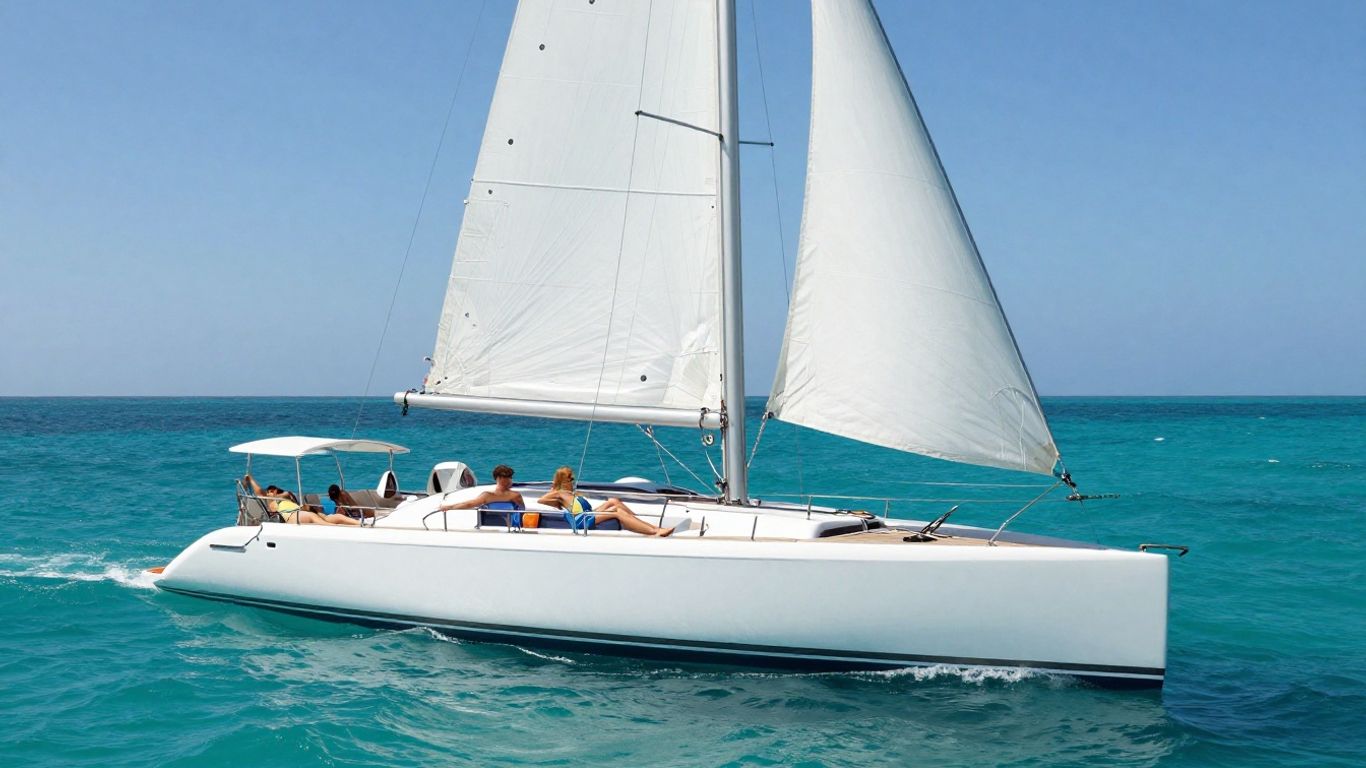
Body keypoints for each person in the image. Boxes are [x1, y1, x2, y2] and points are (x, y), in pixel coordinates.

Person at [537, 466, 674, 537]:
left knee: (613, 501)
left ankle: (639, 522)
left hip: (588, 514)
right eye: (570, 479)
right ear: (563, 480)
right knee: (616, 511)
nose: (573, 481)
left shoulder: (571, 494)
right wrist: (554, 490)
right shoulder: (560, 494)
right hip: (581, 521)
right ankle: (654, 531)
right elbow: (541, 500)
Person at [243, 474, 359, 526]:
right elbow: (259, 492)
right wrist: (250, 478)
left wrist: (278, 495)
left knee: (331, 518)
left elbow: (286, 494)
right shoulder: (271, 501)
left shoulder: (284, 497)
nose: (270, 492)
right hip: (294, 515)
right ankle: (341, 528)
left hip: (301, 512)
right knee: (319, 520)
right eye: (268, 491)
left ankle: (360, 524)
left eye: (273, 490)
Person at [437, 464, 525, 511]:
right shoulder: (516, 496)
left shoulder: (487, 495)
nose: (510, 480)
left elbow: (469, 504)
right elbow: (522, 511)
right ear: (500, 478)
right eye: (509, 477)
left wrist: (449, 507)